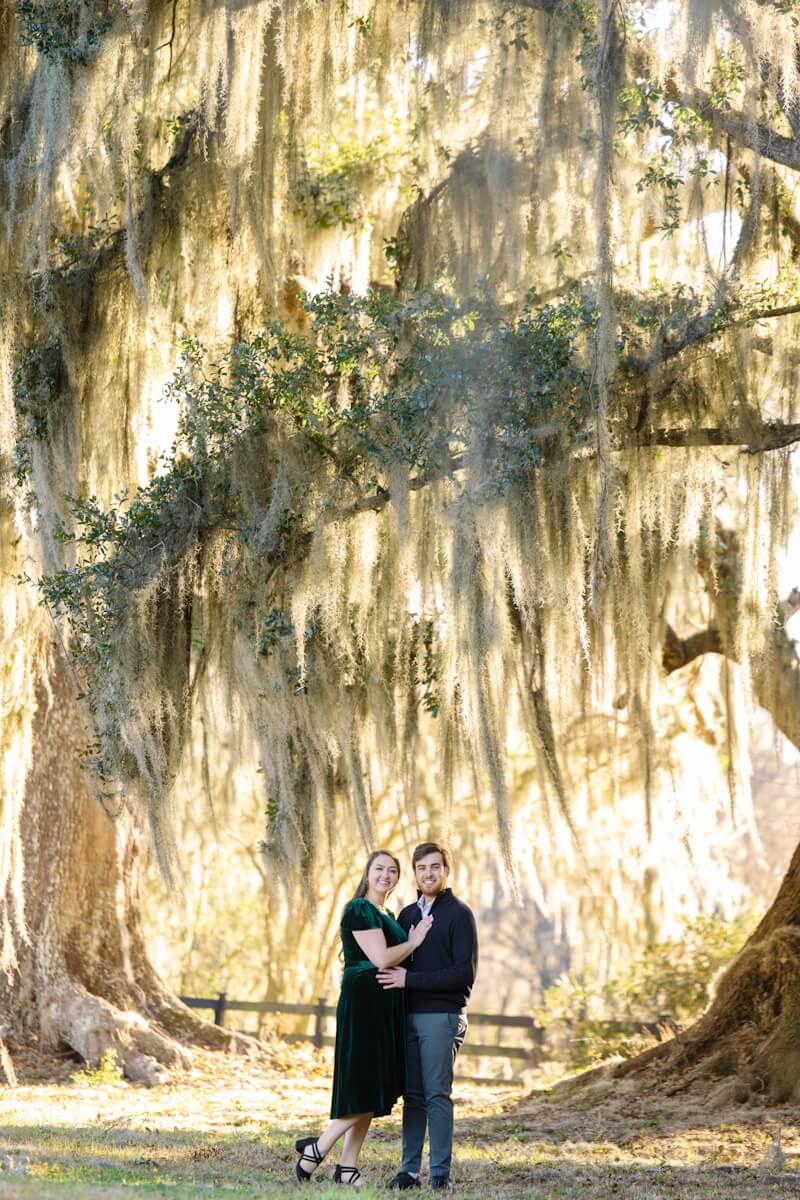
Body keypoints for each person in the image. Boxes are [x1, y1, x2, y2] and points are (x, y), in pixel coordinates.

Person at [294, 849, 433, 1188]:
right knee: (365, 1084)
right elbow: (381, 958)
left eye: (392, 871)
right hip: (365, 1004)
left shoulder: (384, 912)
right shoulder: (359, 909)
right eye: (379, 869)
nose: (385, 875)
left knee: (375, 1083)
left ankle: (347, 1167)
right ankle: (318, 1148)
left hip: (385, 1005)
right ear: (367, 874)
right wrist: (414, 941)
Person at [378, 842, 478, 1192]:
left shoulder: (459, 915)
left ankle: (439, 1174)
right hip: (409, 1017)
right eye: (422, 868)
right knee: (414, 1096)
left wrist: (410, 980)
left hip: (442, 1016)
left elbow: (463, 974)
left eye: (435, 867)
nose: (429, 873)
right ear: (415, 874)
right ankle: (408, 1172)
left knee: (437, 1094)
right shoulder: (406, 916)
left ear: (446, 871)